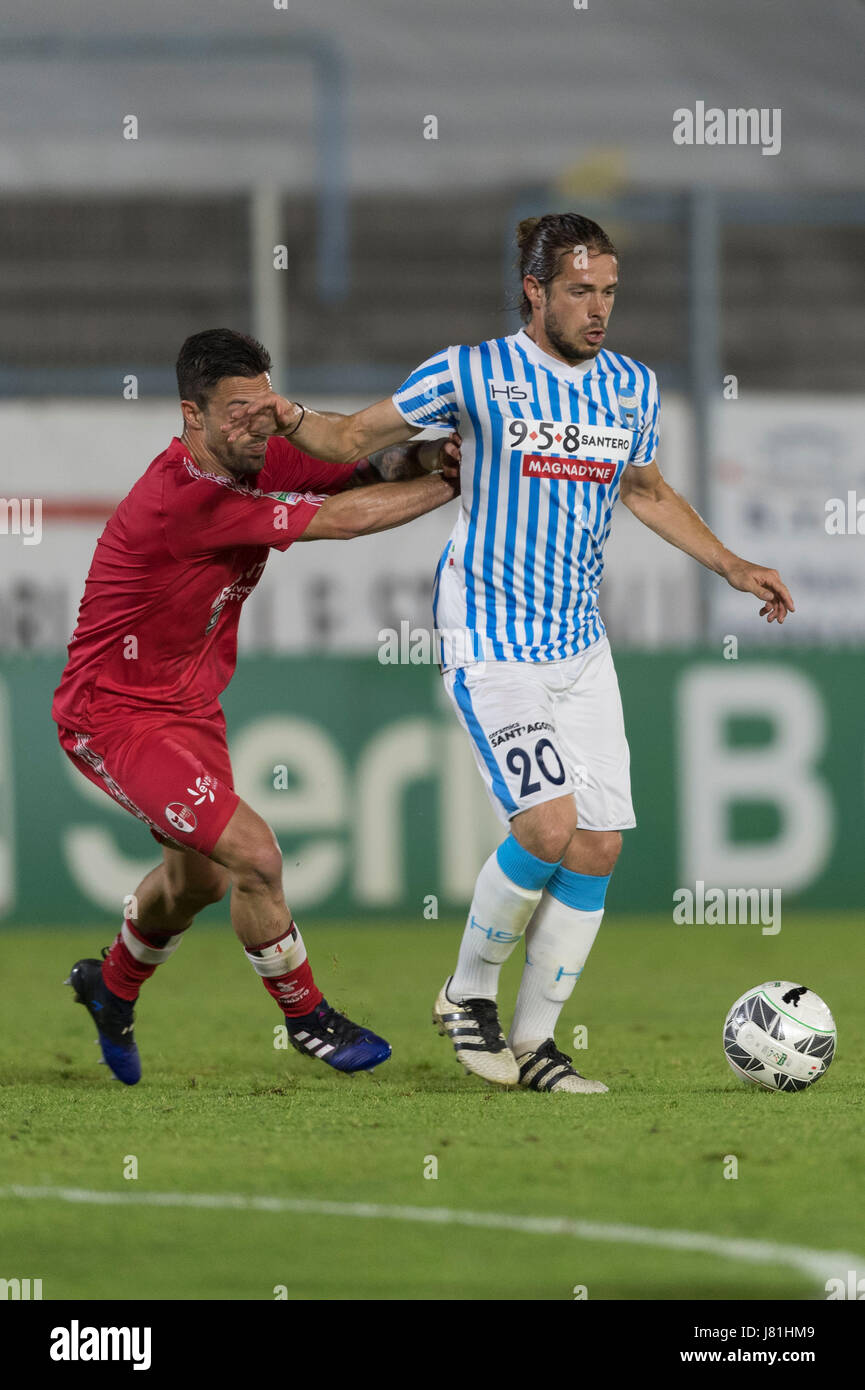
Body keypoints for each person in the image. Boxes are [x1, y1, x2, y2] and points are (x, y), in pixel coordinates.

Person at [222, 213, 795, 1096]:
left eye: (608, 291)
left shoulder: (631, 388)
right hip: (490, 638)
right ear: (534, 291)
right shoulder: (471, 372)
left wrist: (733, 565)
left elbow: (642, 488)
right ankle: (467, 994)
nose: (597, 309)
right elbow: (348, 442)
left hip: (579, 646)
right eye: (578, 291)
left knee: (597, 845)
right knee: (547, 826)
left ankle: (534, 1045)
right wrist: (292, 414)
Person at [53, 327, 459, 1085]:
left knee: (197, 882)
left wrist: (433, 454)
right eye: (237, 410)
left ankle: (110, 987)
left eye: (262, 401)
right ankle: (309, 1021)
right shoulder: (185, 497)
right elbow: (341, 518)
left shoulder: (260, 451)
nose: (257, 421)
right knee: (255, 856)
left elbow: (359, 466)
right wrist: (452, 484)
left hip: (188, 710)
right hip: (112, 714)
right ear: (190, 416)